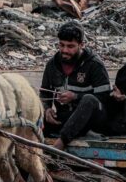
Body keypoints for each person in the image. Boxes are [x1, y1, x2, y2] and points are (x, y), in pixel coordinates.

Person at [39, 22, 111, 150]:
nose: (65, 50)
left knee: (89, 99)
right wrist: (46, 110)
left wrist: (76, 97)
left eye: (70, 46)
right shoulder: (52, 65)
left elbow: (104, 98)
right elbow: (44, 93)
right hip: (66, 119)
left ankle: (59, 145)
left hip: (93, 121)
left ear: (81, 45)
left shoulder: (94, 65)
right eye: (62, 45)